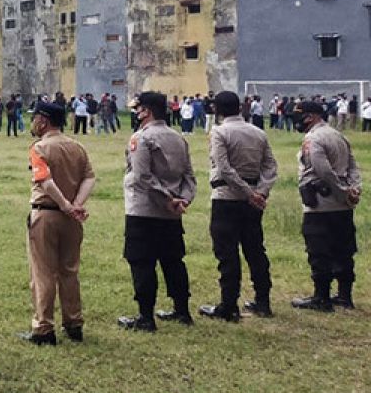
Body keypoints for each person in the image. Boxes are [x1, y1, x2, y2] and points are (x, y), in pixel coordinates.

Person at [118, 91, 197, 332]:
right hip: (171, 214)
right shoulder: (178, 138)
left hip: (144, 210)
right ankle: (182, 310)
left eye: (138, 109)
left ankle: (145, 317)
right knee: (173, 261)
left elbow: (142, 176)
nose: (136, 113)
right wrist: (182, 199)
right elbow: (189, 177)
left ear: (147, 111)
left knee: (142, 262)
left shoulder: (141, 138)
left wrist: (168, 199)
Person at [198, 91, 278, 321]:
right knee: (255, 250)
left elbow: (224, 168)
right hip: (253, 200)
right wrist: (259, 192)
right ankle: (263, 301)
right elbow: (270, 166)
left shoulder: (220, 132)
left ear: (217, 109)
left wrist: (248, 192)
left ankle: (228, 305)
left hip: (226, 197)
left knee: (227, 253)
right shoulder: (258, 132)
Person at [22, 100, 96, 345]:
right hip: (71, 219)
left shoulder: (40, 148)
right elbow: (89, 177)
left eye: (35, 118)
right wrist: (76, 205)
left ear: (43, 120)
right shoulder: (77, 147)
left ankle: (44, 328)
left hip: (46, 213)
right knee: (69, 271)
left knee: (43, 272)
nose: (33, 122)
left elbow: (45, 181)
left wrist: (64, 204)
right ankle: (74, 323)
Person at [291, 100, 361, 311]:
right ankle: (344, 295)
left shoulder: (314, 138)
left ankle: (321, 297)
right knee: (343, 250)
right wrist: (353, 190)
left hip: (321, 205)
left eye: (299, 115)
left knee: (319, 251)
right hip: (342, 206)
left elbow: (323, 171)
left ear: (310, 116)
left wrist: (340, 192)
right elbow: (353, 165)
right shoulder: (338, 135)